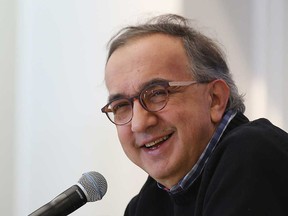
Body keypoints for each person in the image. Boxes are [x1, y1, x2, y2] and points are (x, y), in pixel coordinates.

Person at [101, 14, 288, 216]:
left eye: (157, 93)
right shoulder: (147, 203)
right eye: (121, 106)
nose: (139, 123)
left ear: (215, 99)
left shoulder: (251, 153)